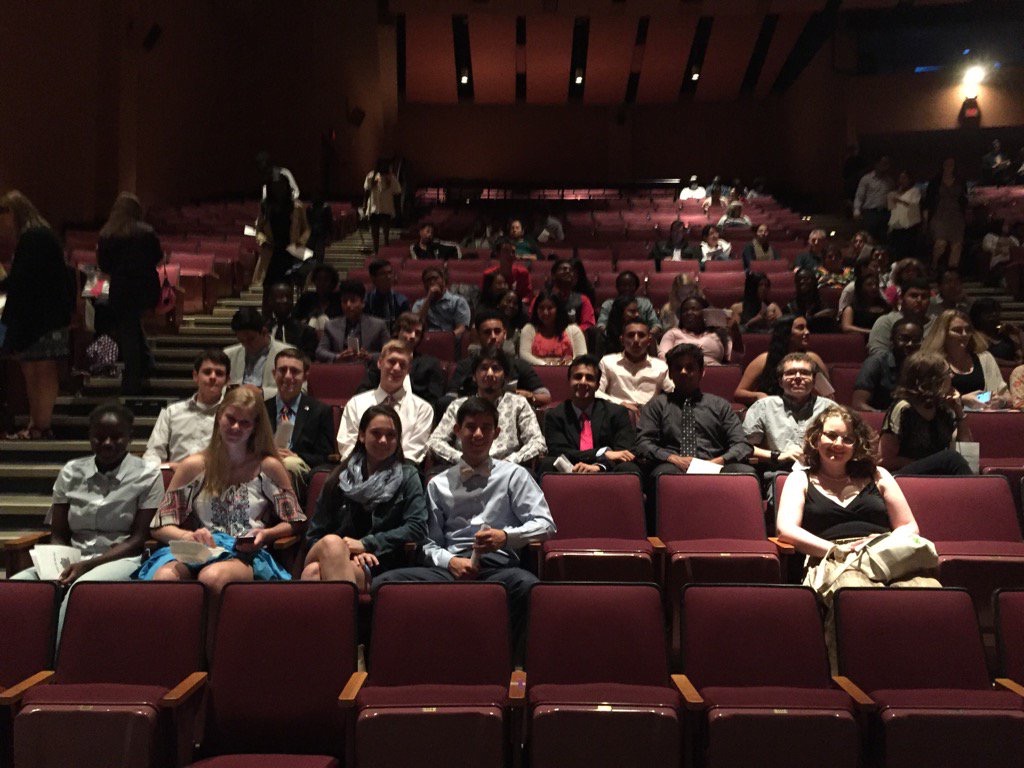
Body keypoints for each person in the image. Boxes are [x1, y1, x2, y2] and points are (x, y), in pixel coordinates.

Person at [374, 396, 556, 652]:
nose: (478, 434)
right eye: (470, 427)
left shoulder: (514, 475)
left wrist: (505, 537)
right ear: (457, 431)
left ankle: (512, 666)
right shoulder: (438, 483)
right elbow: (427, 543)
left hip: (498, 568)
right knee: (384, 584)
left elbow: (546, 525)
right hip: (452, 568)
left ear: (497, 433)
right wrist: (450, 562)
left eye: (486, 427)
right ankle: (405, 661)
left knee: (528, 586)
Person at [775, 405, 940, 667]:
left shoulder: (878, 475)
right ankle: (855, 674)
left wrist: (877, 544)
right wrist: (835, 549)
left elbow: (909, 526)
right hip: (832, 557)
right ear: (816, 439)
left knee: (928, 591)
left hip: (885, 554)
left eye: (848, 438)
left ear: (857, 444)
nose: (838, 444)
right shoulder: (800, 479)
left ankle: (922, 671)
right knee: (855, 592)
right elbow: (786, 529)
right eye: (831, 435)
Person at [138, 385, 306, 594]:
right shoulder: (194, 466)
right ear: (219, 417)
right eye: (231, 419)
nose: (235, 427)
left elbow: (296, 521)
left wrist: (267, 534)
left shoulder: (268, 466)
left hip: (243, 552)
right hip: (200, 548)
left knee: (212, 576)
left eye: (244, 423)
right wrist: (186, 537)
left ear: (255, 426)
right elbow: (159, 526)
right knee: (164, 577)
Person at [11, 403, 164, 633]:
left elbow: (138, 538)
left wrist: (87, 565)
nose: (108, 443)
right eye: (99, 437)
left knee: (79, 590)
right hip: (73, 557)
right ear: (90, 437)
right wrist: (55, 564)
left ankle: (56, 663)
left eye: (116, 437)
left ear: (130, 437)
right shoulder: (71, 471)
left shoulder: (148, 475)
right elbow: (59, 534)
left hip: (121, 559)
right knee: (18, 587)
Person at [301, 405, 428, 588]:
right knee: (332, 543)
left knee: (312, 572)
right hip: (333, 552)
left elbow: (417, 527)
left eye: (391, 435)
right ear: (362, 436)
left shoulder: (408, 476)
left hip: (379, 562)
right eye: (376, 433)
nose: (383, 440)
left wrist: (367, 544)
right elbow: (315, 535)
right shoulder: (339, 477)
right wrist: (346, 552)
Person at [637, 343, 754, 526]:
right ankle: (665, 533)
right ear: (670, 373)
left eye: (690, 367)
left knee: (746, 473)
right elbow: (643, 443)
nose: (683, 372)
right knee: (665, 475)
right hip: (673, 465)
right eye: (678, 368)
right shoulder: (656, 405)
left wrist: (716, 462)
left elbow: (742, 445)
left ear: (702, 372)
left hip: (714, 463)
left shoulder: (720, 405)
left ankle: (741, 531)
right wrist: (674, 459)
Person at [0, 190, 72, 440]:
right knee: (35, 369)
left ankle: (40, 424)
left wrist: (3, 285)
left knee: (40, 370)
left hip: (41, 319)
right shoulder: (40, 235)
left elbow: (23, 280)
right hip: (46, 316)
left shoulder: (33, 238)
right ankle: (38, 423)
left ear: (14, 213)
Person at [429, 348, 546, 468]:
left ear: (506, 377)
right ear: (474, 376)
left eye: (495, 368)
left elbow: (537, 442)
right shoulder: (458, 406)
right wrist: (463, 460)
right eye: (484, 368)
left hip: (506, 471)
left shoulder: (518, 404)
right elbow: (435, 442)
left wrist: (508, 463)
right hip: (465, 470)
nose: (490, 374)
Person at [96, 192, 161, 395]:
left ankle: (133, 378)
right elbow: (157, 258)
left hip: (121, 287)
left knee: (128, 329)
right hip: (145, 286)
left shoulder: (107, 233)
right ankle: (143, 367)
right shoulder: (146, 231)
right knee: (132, 327)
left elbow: (104, 265)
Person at [337, 340, 435, 464]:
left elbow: (413, 453)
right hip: (359, 473)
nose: (396, 368)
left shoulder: (423, 409)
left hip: (402, 476)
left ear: (408, 369)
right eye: (392, 361)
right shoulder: (356, 404)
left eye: (402, 364)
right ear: (379, 363)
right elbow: (348, 446)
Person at [540, 355, 639, 475]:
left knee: (629, 467)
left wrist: (600, 466)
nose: (583, 382)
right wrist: (601, 452)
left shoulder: (617, 413)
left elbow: (625, 452)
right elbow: (558, 451)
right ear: (569, 381)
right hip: (569, 469)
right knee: (547, 464)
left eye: (589, 378)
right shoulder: (555, 415)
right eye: (577, 377)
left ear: (597, 385)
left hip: (606, 470)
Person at [878, 351, 973, 476]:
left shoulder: (943, 409)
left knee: (954, 460)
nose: (952, 376)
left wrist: (959, 411)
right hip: (903, 475)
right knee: (951, 458)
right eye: (948, 372)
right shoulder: (903, 409)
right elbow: (885, 460)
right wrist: (929, 463)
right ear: (932, 380)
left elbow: (967, 450)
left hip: (936, 473)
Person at [743, 353, 836, 472]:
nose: (798, 377)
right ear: (780, 381)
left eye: (804, 373)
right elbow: (744, 448)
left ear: (814, 381)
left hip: (820, 474)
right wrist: (778, 456)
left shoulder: (829, 408)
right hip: (778, 474)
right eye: (791, 373)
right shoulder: (764, 407)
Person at [265, 348, 335, 497]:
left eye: (295, 371)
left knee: (289, 464)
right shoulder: (261, 409)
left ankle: (289, 515)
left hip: (299, 470)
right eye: (282, 370)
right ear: (274, 374)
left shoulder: (320, 411)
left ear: (305, 377)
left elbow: (325, 456)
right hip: (264, 465)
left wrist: (296, 455)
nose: (288, 376)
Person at [144, 349, 230, 468]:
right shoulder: (172, 412)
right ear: (195, 376)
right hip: (175, 479)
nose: (213, 377)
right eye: (207, 372)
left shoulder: (233, 417)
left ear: (227, 380)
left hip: (216, 480)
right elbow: (153, 453)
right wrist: (166, 469)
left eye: (219, 373)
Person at [447, 311, 549, 406]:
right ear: (478, 336)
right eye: (487, 332)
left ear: (504, 334)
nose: (493, 336)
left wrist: (530, 396)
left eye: (497, 331)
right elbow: (449, 399)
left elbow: (546, 397)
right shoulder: (465, 366)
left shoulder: (520, 365)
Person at [920, 309, 1008, 409]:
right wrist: (961, 400)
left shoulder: (985, 358)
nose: (964, 334)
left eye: (968, 330)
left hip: (984, 417)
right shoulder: (932, 362)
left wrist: (1001, 401)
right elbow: (926, 401)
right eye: (957, 330)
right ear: (943, 333)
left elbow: (1006, 396)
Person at [357, 312, 446, 411]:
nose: (412, 336)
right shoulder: (382, 360)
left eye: (417, 333)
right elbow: (362, 392)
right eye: (408, 330)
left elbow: (434, 400)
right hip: (379, 412)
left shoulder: (430, 364)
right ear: (397, 331)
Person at [735, 315, 828, 405]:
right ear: (786, 333)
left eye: (807, 328)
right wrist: (758, 396)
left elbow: (828, 395)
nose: (807, 332)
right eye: (800, 328)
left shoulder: (813, 359)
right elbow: (739, 393)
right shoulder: (764, 360)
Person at [597, 320, 674, 416]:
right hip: (617, 415)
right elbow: (597, 392)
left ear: (649, 341)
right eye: (630, 335)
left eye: (641, 335)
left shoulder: (660, 366)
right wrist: (621, 404)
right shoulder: (607, 362)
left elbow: (673, 392)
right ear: (622, 340)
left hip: (650, 417)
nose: (636, 340)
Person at [852, 319, 923, 412]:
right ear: (891, 339)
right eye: (904, 339)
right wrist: (888, 417)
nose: (910, 344)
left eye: (916, 340)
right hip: (879, 419)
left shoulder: (923, 366)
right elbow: (858, 405)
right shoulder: (875, 362)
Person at [253, 175, 309, 288]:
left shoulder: (297, 206)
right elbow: (258, 230)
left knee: (289, 285)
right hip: (271, 251)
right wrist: (262, 240)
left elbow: (306, 229)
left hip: (291, 250)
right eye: (275, 186)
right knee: (269, 286)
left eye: (281, 186)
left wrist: (300, 243)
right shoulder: (265, 206)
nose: (278, 189)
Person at [316, 280, 390, 362]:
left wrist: (370, 357)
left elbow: (389, 352)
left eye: (353, 301)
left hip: (368, 371)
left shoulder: (379, 325)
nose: (348, 305)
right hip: (341, 369)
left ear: (362, 303)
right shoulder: (330, 325)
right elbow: (320, 352)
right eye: (344, 301)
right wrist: (338, 357)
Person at [224, 308, 289, 399]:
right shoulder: (229, 354)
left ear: (264, 332)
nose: (246, 345)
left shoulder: (287, 354)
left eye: (251, 339)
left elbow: (299, 390)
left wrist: (262, 393)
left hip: (271, 406)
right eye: (242, 341)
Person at [659, 295, 735, 366]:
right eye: (685, 310)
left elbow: (734, 357)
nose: (689, 313)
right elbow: (663, 357)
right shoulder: (673, 333)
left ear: (706, 313)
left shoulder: (719, 334)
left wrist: (734, 329)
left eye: (694, 309)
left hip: (714, 374)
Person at [867, 276, 932, 356]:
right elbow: (878, 354)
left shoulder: (937, 324)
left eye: (924, 297)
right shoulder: (886, 322)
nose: (919, 300)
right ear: (901, 298)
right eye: (914, 296)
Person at [518, 290, 586, 366]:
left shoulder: (574, 330)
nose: (545, 312)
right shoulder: (529, 329)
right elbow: (524, 355)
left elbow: (582, 357)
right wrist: (546, 365)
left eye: (550, 308)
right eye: (541, 308)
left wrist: (565, 365)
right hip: (536, 373)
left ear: (558, 309)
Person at [923, 157, 967, 271]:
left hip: (956, 215)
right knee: (940, 243)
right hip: (939, 215)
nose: (948, 167)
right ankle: (934, 266)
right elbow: (928, 201)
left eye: (951, 165)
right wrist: (926, 218)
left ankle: (952, 272)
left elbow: (965, 198)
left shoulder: (960, 181)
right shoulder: (935, 181)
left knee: (956, 245)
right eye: (946, 164)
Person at [264, 282, 319, 360]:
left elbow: (309, 359)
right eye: (281, 297)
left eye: (289, 297)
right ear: (270, 301)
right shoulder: (263, 329)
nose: (285, 300)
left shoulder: (306, 331)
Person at [412, 267, 471, 340]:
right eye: (428, 280)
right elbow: (415, 325)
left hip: (451, 341)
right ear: (424, 285)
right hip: (427, 341)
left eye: (435, 278)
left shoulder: (458, 302)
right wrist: (429, 298)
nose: (432, 282)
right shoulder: (419, 304)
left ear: (443, 280)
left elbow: (461, 328)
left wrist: (444, 339)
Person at [597, 271, 661, 336]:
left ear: (636, 286)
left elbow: (656, 325)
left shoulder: (645, 303)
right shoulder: (608, 304)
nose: (627, 288)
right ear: (617, 286)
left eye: (630, 285)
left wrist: (644, 336)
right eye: (623, 285)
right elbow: (601, 325)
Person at [970, 298, 1023, 367]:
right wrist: (1013, 364)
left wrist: (1019, 333)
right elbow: (983, 358)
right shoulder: (974, 336)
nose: (994, 314)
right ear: (977, 316)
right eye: (988, 312)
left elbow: (1020, 355)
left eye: (996, 311)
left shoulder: (1005, 335)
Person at [546, 258, 596, 331]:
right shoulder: (544, 298)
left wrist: (570, 332)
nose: (568, 271)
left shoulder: (583, 299)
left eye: (571, 270)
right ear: (553, 275)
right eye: (564, 269)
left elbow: (588, 324)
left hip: (575, 337)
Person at [364, 159, 402, 253]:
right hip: (374, 207)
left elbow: (397, 191)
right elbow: (366, 190)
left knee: (386, 229)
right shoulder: (371, 176)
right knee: (374, 229)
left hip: (386, 207)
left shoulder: (391, 177)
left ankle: (386, 245)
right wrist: (364, 205)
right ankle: (375, 248)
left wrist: (398, 209)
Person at [853, 156, 894, 243]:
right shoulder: (866, 179)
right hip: (870, 213)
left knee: (883, 239)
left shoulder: (889, 181)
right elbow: (860, 196)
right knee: (868, 238)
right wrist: (857, 210)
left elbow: (892, 199)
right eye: (883, 163)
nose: (885, 166)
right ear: (877, 164)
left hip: (885, 213)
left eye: (886, 164)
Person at [364, 259, 411, 333]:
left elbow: (406, 327)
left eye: (390, 273)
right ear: (373, 278)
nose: (388, 277)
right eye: (383, 274)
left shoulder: (401, 301)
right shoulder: (366, 301)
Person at [294, 264, 343, 333]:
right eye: (319, 279)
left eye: (326, 280)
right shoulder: (306, 298)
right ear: (314, 281)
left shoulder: (339, 300)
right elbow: (295, 320)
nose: (322, 283)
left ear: (332, 282)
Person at [786, 267, 836, 332]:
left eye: (806, 279)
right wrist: (815, 317)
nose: (802, 281)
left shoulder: (822, 303)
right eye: (799, 279)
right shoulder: (791, 306)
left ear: (814, 281)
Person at [886, 170, 922, 261]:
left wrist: (899, 200)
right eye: (900, 178)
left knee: (908, 250)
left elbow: (913, 203)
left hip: (910, 225)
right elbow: (891, 209)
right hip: (897, 225)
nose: (902, 180)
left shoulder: (915, 191)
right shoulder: (893, 193)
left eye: (904, 178)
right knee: (897, 251)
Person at [484, 239, 533, 304]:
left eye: (513, 252)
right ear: (498, 254)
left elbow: (528, 296)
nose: (510, 255)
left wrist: (516, 303)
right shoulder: (489, 274)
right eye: (506, 251)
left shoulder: (523, 273)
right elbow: (485, 298)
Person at [840, 270, 889, 336]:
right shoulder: (851, 309)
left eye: (876, 284)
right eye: (869, 285)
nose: (874, 287)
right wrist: (872, 332)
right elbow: (846, 328)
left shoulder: (886, 306)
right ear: (860, 288)